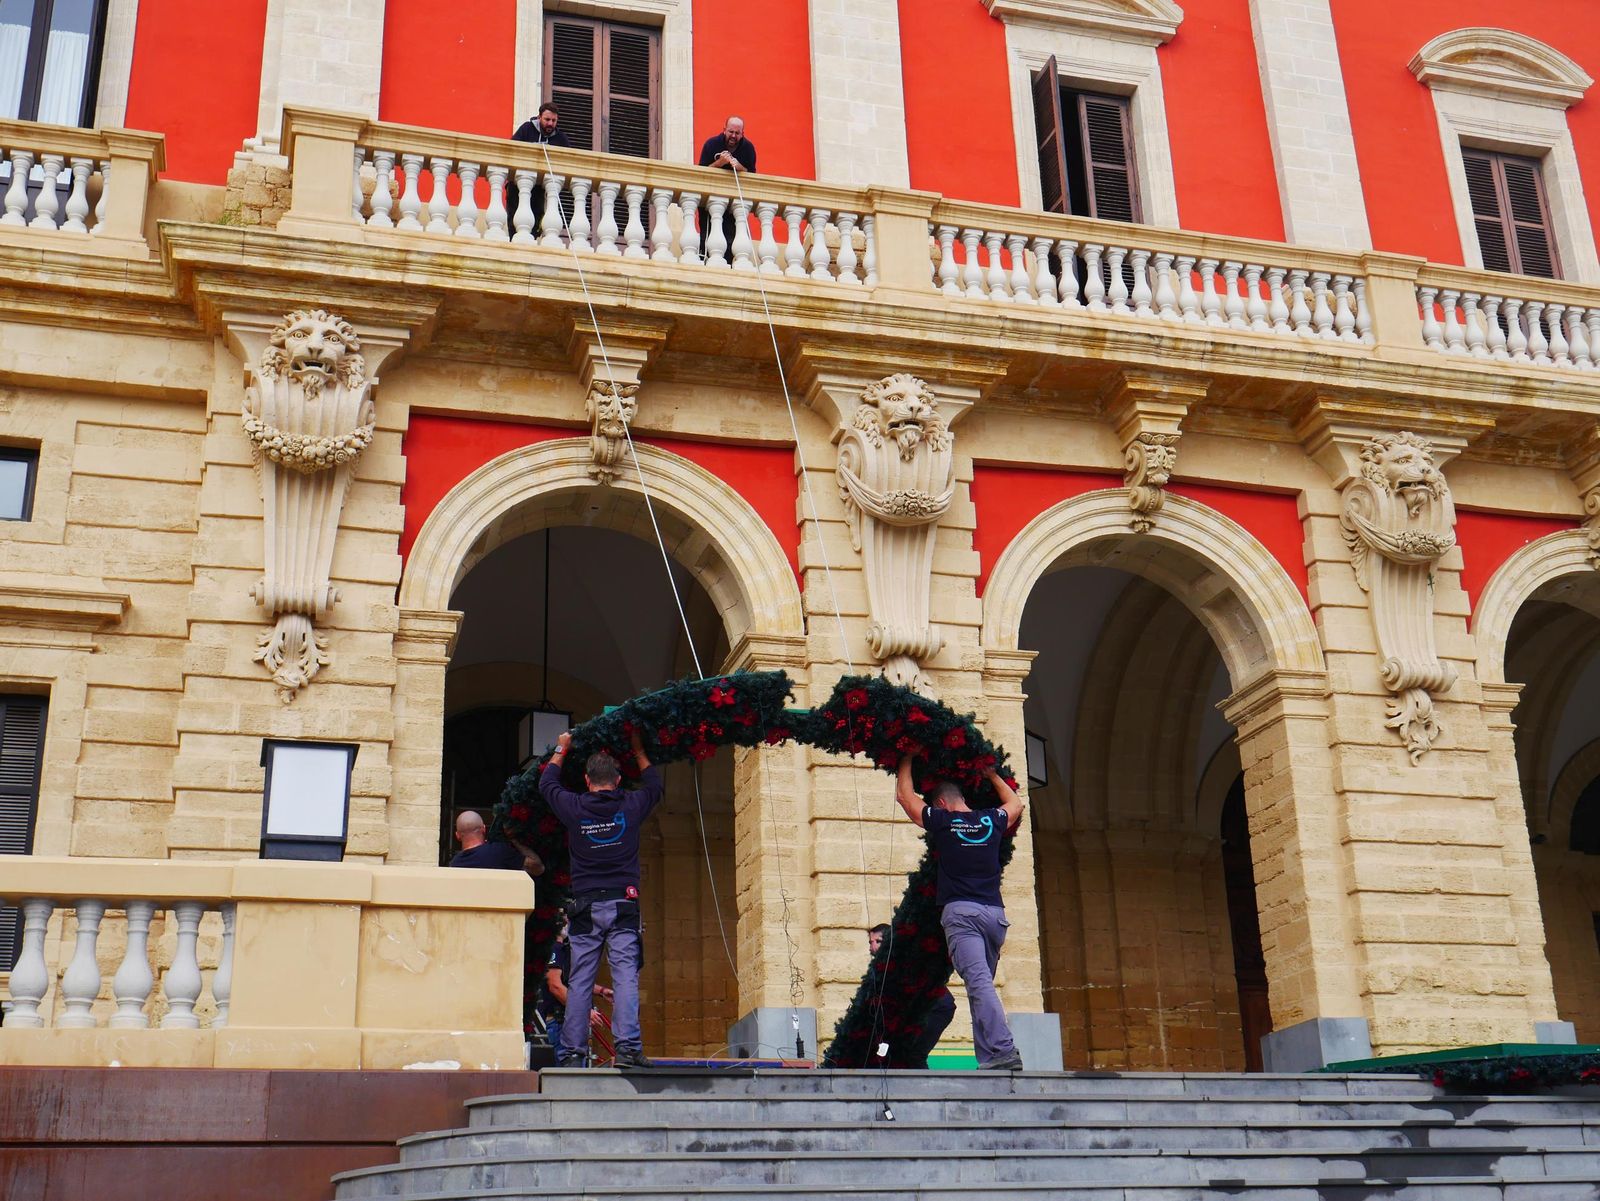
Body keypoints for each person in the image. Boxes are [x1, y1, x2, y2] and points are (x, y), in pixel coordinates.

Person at [540, 728, 664, 1068]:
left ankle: (573, 1053)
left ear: (586, 780)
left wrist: (562, 748)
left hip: (585, 905)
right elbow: (655, 785)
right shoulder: (631, 804)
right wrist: (639, 750)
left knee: (579, 980)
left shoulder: (575, 807)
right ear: (618, 780)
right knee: (625, 977)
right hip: (624, 903)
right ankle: (628, 1049)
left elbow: (547, 784)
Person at [894, 754, 1026, 1071]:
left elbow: (905, 798)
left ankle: (1004, 1050)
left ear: (941, 803)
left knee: (979, 986)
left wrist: (906, 759)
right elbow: (1016, 805)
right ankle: (991, 1059)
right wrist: (992, 775)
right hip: (995, 916)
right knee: (981, 987)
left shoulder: (943, 821)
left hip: (963, 915)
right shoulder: (991, 820)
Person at [868, 922, 955, 1069]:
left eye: (878, 941)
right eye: (871, 942)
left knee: (913, 1054)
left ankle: (923, 1083)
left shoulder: (901, 961)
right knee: (904, 1054)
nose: (873, 947)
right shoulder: (886, 965)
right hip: (925, 1010)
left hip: (936, 1010)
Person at [539, 917, 612, 1062]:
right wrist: (582, 1010)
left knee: (576, 1067)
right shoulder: (554, 948)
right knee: (569, 1068)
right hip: (562, 1022)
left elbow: (575, 983)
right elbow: (555, 986)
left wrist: (602, 991)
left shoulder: (566, 950)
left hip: (571, 1022)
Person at [696, 117, 756, 264]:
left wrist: (740, 167)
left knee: (731, 237)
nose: (733, 136)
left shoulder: (748, 148)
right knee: (707, 235)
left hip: (733, 204)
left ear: (742, 133)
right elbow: (701, 173)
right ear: (724, 130)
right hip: (710, 202)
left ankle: (727, 264)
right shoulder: (712, 144)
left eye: (737, 133)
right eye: (731, 132)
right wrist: (719, 163)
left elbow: (752, 176)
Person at [448, 810, 544, 877]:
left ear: (457, 835)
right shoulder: (499, 851)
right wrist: (514, 840)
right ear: (484, 829)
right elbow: (538, 868)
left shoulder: (454, 865)